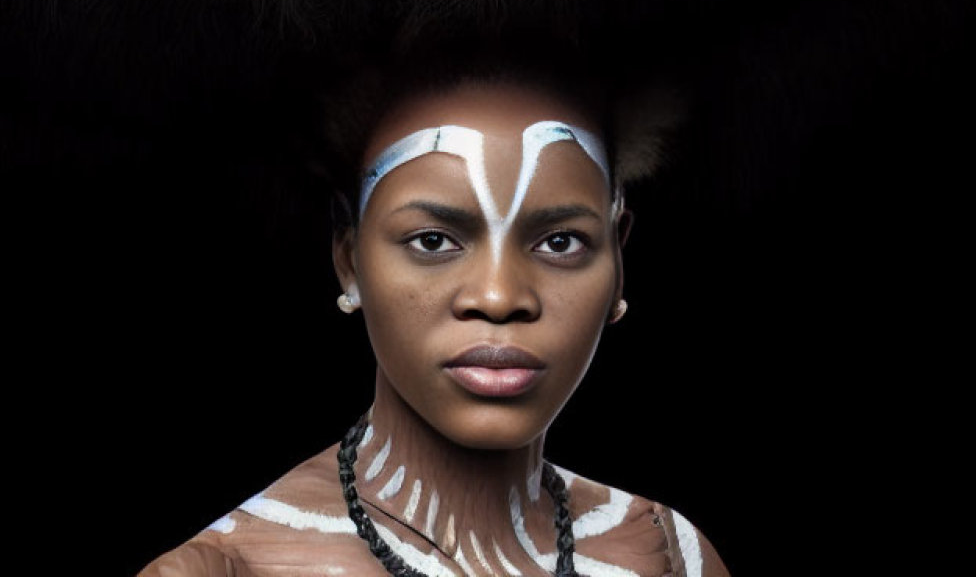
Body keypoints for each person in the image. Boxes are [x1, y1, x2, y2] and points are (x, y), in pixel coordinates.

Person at [139, 57, 731, 577]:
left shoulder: (668, 554)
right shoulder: (231, 569)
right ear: (350, 262)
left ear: (619, 263)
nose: (499, 297)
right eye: (431, 241)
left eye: (559, 243)